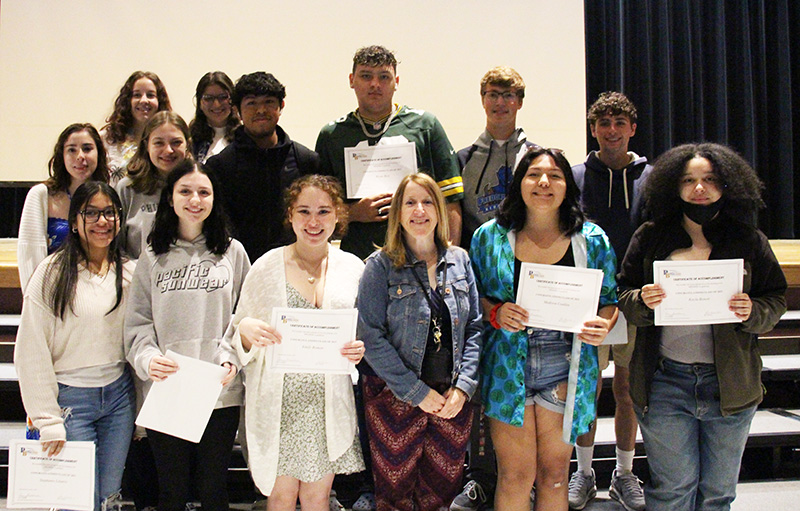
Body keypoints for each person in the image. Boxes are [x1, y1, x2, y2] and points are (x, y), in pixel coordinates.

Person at [617, 143, 786, 511]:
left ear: (726, 184)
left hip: (730, 387)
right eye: (689, 180)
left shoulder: (748, 239)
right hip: (665, 383)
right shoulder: (650, 236)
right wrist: (641, 301)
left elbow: (775, 301)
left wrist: (752, 311)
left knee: (717, 494)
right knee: (673, 490)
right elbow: (623, 294)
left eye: (709, 180)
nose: (699, 188)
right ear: (672, 186)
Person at [469, 147, 617, 511]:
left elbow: (610, 299)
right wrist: (496, 313)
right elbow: (475, 298)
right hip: (507, 363)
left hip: (565, 362)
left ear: (568, 186)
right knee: (515, 476)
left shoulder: (592, 239)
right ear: (520, 183)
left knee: (554, 475)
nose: (544, 183)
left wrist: (604, 325)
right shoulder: (489, 237)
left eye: (555, 176)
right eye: (534, 174)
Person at [227, 174, 365, 511]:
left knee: (318, 499)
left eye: (323, 211)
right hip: (280, 404)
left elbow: (365, 332)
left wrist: (360, 349)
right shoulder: (266, 266)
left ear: (338, 216)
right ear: (290, 215)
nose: (313, 222)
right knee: (281, 498)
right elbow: (237, 331)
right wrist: (247, 330)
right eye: (304, 211)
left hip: (327, 403)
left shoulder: (353, 268)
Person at [125, 159, 250, 511]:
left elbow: (247, 316)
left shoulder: (233, 252)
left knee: (213, 491)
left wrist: (233, 357)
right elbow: (137, 322)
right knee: (172, 492)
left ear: (214, 199)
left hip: (219, 391)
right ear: (170, 198)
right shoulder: (152, 256)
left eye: (203, 192)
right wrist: (149, 360)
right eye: (185, 191)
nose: (195, 199)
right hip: (170, 391)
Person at [357, 172, 482, 511]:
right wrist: (415, 392)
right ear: (398, 212)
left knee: (442, 491)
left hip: (451, 398)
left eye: (428, 201)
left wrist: (464, 387)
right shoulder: (379, 266)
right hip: (393, 396)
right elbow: (369, 335)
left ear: (440, 210)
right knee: (395, 495)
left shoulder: (460, 261)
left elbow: (474, 328)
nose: (419, 210)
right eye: (410, 202)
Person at [15, 181, 135, 511]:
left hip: (118, 400)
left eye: (109, 213)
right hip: (70, 400)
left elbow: (138, 345)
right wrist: (46, 418)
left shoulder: (129, 273)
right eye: (91, 213)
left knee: (109, 496)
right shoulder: (51, 273)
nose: (102, 221)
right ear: (74, 221)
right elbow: (31, 349)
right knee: (76, 501)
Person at [451, 66, 539, 511]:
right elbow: (457, 221)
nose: (500, 102)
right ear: (482, 99)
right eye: (492, 94)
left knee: (533, 382)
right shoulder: (463, 156)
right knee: (482, 381)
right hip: (480, 286)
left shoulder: (540, 157)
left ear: (520, 101)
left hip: (533, 288)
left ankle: (529, 478)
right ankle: (481, 477)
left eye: (508, 95)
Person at [567, 91, 652, 511]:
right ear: (593, 129)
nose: (612, 130)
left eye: (620, 122)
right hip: (589, 303)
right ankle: (582, 473)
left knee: (627, 389)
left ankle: (623, 473)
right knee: (586, 390)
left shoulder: (653, 177)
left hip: (634, 301)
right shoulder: (576, 176)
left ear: (632, 129)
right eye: (604, 123)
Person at [315, 45, 464, 260]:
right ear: (351, 80)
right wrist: (353, 213)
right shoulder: (333, 135)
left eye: (384, 77)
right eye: (366, 76)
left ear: (396, 82)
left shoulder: (425, 126)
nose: (375, 84)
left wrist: (448, 260)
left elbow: (450, 201)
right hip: (356, 259)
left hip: (420, 259)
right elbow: (316, 210)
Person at [206, 72, 319, 262]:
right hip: (240, 270)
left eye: (268, 102)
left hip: (299, 266)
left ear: (281, 106)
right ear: (236, 110)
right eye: (251, 103)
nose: (261, 110)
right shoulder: (219, 166)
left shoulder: (306, 161)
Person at [17, 123, 109, 293]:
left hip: (98, 294)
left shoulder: (109, 196)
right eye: (72, 150)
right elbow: (29, 256)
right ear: (62, 155)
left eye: (87, 148)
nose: (80, 156)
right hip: (52, 293)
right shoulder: (42, 195)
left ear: (99, 154)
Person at [116, 111, 191, 260]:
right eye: (159, 143)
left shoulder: (201, 186)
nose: (168, 150)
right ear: (147, 145)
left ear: (187, 144)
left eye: (176, 142)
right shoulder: (127, 188)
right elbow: (116, 249)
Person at [102, 71, 172, 183]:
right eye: (137, 95)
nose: (144, 100)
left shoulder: (169, 141)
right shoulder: (107, 138)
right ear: (127, 100)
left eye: (150, 95)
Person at [189, 71, 240, 163]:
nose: (216, 105)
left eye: (223, 97)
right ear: (199, 103)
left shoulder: (244, 137)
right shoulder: (189, 138)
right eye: (208, 98)